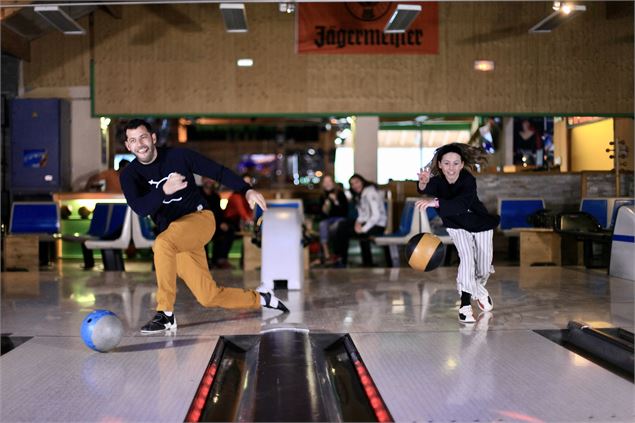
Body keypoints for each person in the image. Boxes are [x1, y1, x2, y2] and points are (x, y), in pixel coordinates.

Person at [120, 119, 288, 333]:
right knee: (208, 296)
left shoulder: (178, 156)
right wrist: (164, 190)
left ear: (153, 138)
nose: (140, 144)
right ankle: (261, 298)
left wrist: (246, 189)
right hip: (176, 237)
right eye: (133, 140)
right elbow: (141, 208)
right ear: (128, 146)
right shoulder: (129, 175)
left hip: (199, 219)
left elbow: (217, 171)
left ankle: (165, 314)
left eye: (143, 137)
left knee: (161, 243)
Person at [416, 143, 499, 324]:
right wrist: (423, 182)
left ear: (462, 165)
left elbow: (462, 204)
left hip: (479, 223)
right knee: (467, 260)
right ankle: (465, 306)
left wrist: (435, 203)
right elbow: (424, 188)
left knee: (483, 268)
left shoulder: (468, 180)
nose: (451, 168)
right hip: (456, 225)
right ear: (439, 164)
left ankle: (481, 292)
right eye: (446, 163)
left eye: (455, 163)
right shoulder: (437, 181)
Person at [333, 173, 386, 267]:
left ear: (362, 181)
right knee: (342, 224)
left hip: (378, 225)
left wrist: (363, 229)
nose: (355, 186)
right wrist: (357, 223)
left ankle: (342, 259)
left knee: (346, 232)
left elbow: (376, 216)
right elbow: (362, 215)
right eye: (352, 184)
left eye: (357, 182)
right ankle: (340, 257)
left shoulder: (370, 193)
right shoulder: (361, 195)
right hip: (368, 222)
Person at [199, 177, 234, 269]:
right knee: (201, 233)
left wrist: (222, 223)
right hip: (200, 224)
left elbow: (219, 213)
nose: (209, 181)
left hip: (214, 225)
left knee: (229, 230)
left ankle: (219, 259)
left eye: (211, 179)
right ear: (202, 180)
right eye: (207, 178)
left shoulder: (216, 196)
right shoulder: (196, 194)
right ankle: (204, 261)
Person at [317, 174, 348, 265]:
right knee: (322, 225)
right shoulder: (322, 196)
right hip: (328, 219)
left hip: (340, 218)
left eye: (329, 181)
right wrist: (324, 208)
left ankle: (336, 254)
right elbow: (322, 215)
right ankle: (327, 254)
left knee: (335, 228)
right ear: (322, 184)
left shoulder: (340, 193)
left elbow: (344, 211)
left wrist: (335, 202)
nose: (327, 183)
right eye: (325, 182)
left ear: (333, 182)